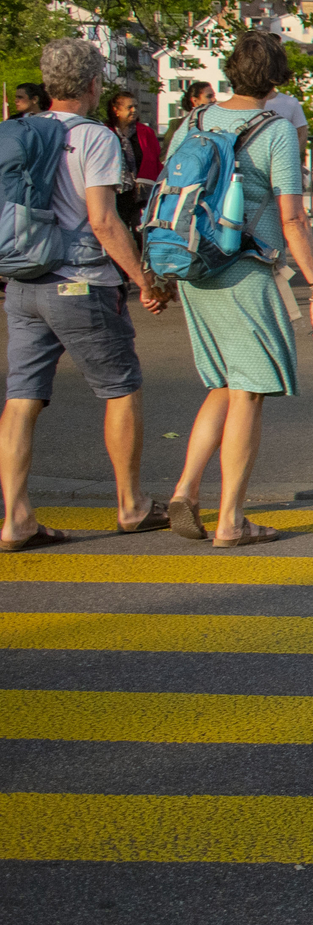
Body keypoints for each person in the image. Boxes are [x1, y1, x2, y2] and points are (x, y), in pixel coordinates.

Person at [0, 40, 172, 548]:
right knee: (120, 387)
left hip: (23, 283)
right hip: (80, 285)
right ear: (94, 85)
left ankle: (15, 518)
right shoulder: (94, 138)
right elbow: (103, 221)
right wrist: (145, 281)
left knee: (21, 398)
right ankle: (131, 505)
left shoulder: (19, 132)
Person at [163, 31, 313, 546]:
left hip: (193, 266)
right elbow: (293, 217)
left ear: (230, 71)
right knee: (250, 391)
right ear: (276, 80)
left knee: (223, 385)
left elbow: (172, 194)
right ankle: (231, 520)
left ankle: (186, 491)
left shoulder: (192, 120)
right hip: (243, 268)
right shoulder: (275, 129)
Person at [103, 90, 161, 235]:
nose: (134, 110)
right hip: (116, 193)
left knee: (141, 232)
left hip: (142, 193)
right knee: (118, 231)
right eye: (129, 107)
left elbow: (155, 158)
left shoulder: (145, 132)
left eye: (135, 106)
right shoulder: (106, 132)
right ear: (116, 110)